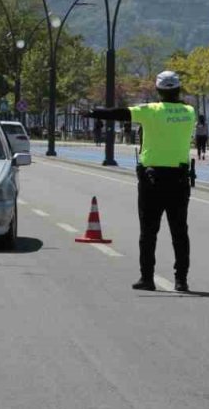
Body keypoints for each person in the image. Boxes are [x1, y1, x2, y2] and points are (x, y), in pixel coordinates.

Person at [83, 70, 197, 293]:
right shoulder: (189, 112)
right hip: (179, 180)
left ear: (158, 90)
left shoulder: (150, 111)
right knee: (179, 232)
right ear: (178, 89)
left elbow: (120, 113)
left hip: (151, 180)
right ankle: (181, 280)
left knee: (148, 232)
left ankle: (147, 278)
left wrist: (93, 112)